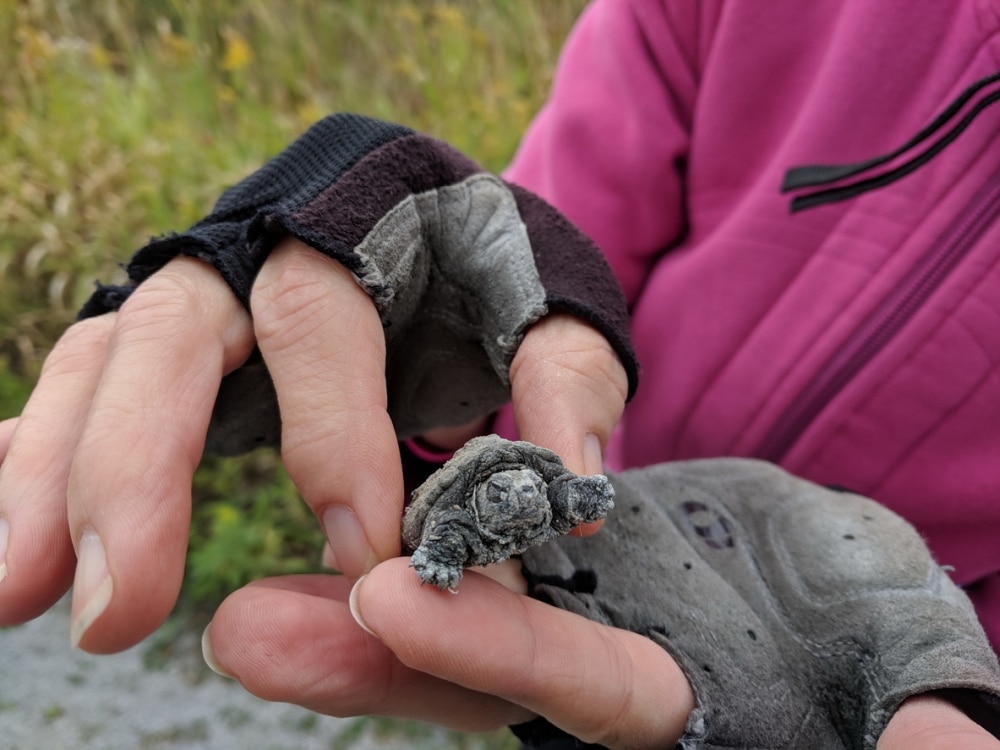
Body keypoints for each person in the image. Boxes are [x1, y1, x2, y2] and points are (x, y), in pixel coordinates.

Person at [1, 0, 1000, 747]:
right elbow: (544, 271)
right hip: (593, 539)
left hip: (894, 644)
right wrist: (423, 312)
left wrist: (958, 674)